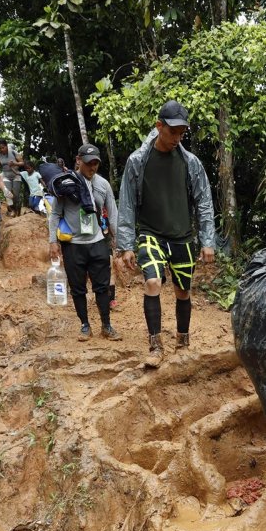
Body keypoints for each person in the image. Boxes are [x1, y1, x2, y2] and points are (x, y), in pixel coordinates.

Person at [116, 100, 216, 367]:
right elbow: (126, 203)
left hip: (182, 236)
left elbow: (204, 202)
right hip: (151, 234)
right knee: (152, 282)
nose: (177, 138)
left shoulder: (190, 162)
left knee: (183, 291)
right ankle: (155, 345)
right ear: (159, 126)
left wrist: (207, 241)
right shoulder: (138, 161)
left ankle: (182, 342)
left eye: (182, 133)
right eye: (173, 132)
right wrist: (126, 245)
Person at [49, 144, 121, 341]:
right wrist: (53, 241)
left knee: (102, 287)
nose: (92, 167)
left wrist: (118, 242)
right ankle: (85, 325)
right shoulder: (66, 184)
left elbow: (113, 214)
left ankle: (106, 325)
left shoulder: (103, 185)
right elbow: (55, 213)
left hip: (97, 242)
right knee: (77, 288)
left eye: (96, 163)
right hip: (73, 245)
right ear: (78, 160)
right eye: (89, 163)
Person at [0, 139, 23, 218]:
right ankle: (12, 210)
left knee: (16, 195)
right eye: (0, 148)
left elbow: (22, 163)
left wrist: (15, 163)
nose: (1, 149)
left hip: (16, 175)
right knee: (8, 194)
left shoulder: (14, 152)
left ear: (6, 146)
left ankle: (17, 209)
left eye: (3, 147)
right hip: (5, 176)